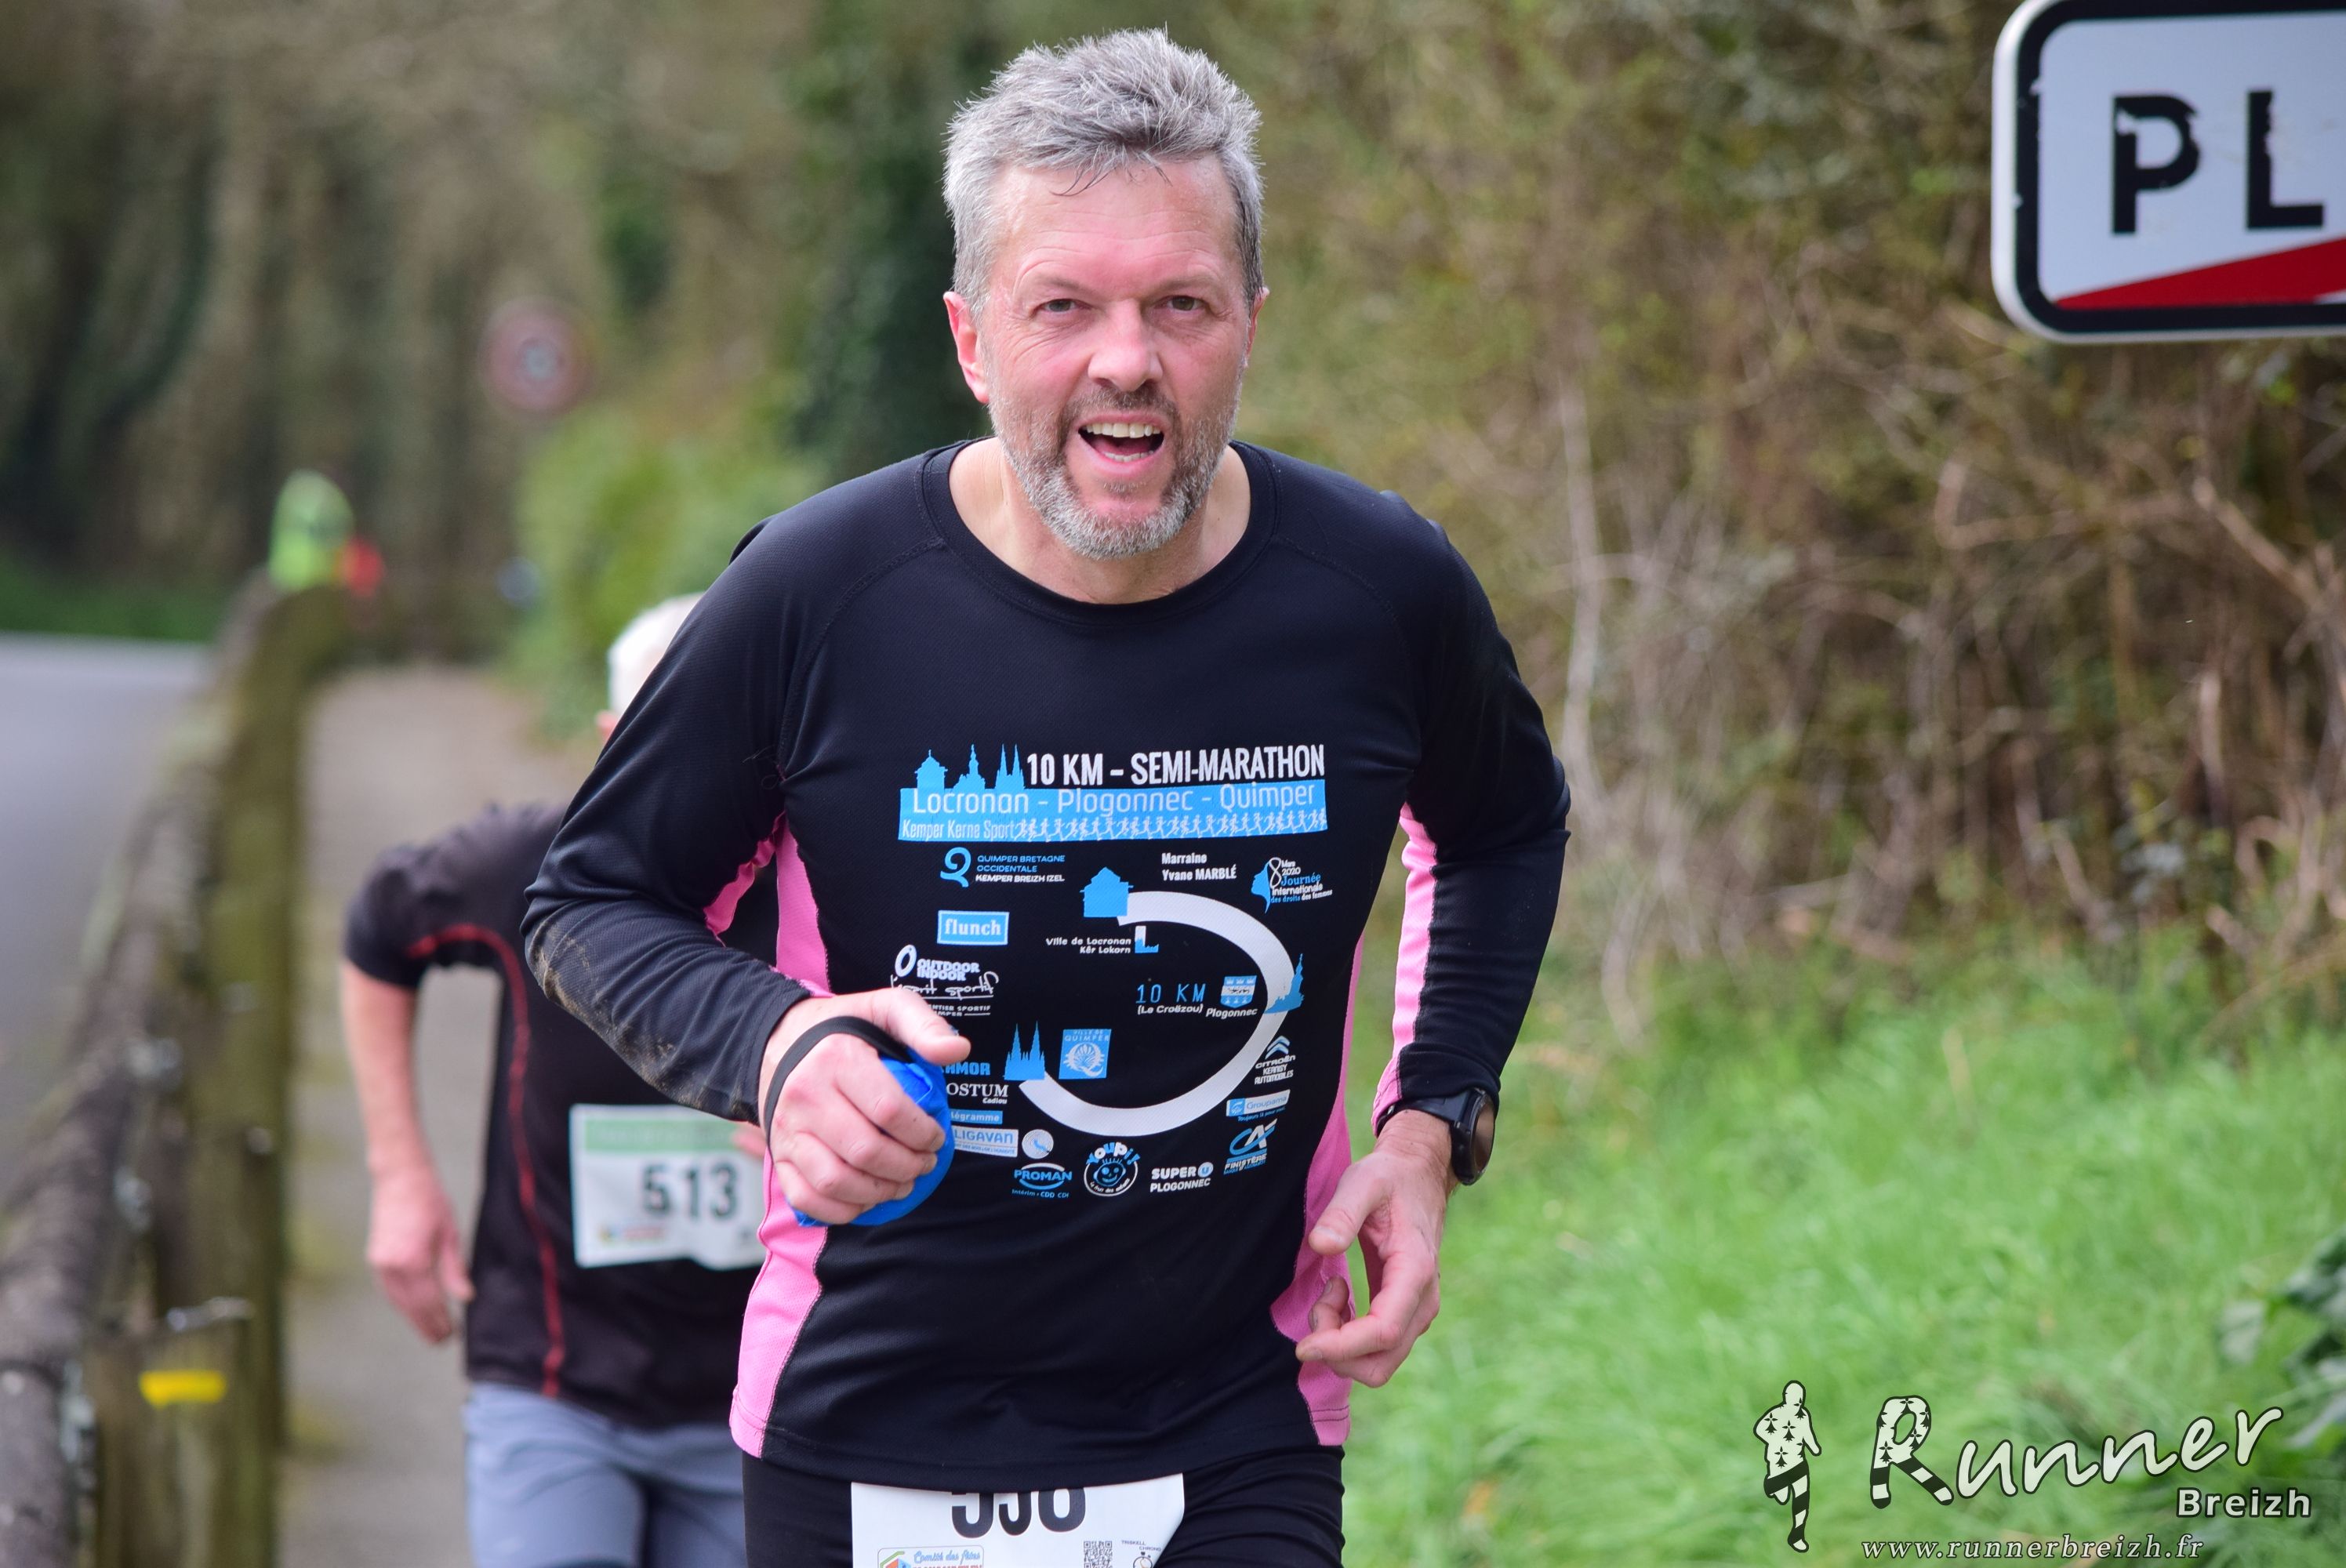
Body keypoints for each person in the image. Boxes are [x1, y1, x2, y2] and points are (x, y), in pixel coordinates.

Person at [523, 29, 1570, 1566]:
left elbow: (1501, 825)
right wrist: (781, 1047)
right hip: (862, 1416)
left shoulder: (1376, 592)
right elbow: (591, 899)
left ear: (1250, 324)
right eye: (1061, 306)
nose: (1124, 361)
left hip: (1240, 1415)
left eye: (1180, 305)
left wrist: (1428, 1126)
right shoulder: (820, 593)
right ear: (970, 338)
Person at [342, 593, 768, 1568]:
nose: (704, 775)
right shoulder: (533, 865)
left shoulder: (828, 895)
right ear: (614, 740)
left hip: (754, 1396)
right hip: (552, 1378)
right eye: (668, 735)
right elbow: (378, 926)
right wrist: (399, 1173)